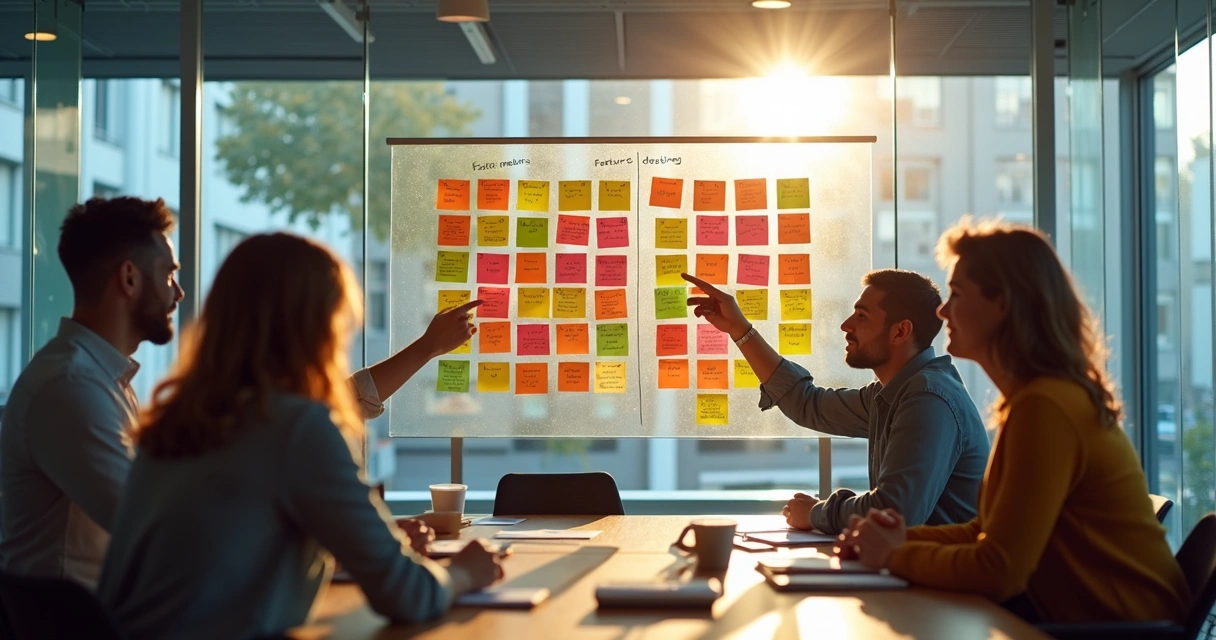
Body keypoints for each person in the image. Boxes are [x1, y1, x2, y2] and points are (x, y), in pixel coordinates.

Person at [0, 196, 478, 588]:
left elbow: (325, 409)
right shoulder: (72, 390)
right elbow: (163, 538)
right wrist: (361, 546)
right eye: (169, 274)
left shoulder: (110, 384)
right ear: (128, 278)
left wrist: (363, 541)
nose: (181, 293)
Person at [98, 232, 502, 638]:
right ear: (317, 328)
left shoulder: (174, 423)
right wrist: (465, 571)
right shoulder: (297, 427)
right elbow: (406, 595)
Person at [838, 219, 1190, 624]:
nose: (941, 310)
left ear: (1002, 303)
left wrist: (895, 553)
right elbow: (984, 532)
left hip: (1115, 633)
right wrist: (896, 540)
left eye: (956, 294)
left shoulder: (1047, 407)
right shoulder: (1035, 400)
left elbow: (999, 570)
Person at [682, 269, 989, 535]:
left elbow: (894, 513)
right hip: (915, 578)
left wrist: (817, 513)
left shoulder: (927, 398)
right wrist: (739, 329)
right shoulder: (894, 393)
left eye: (862, 316)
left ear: (900, 331)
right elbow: (807, 404)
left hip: (944, 595)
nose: (846, 325)